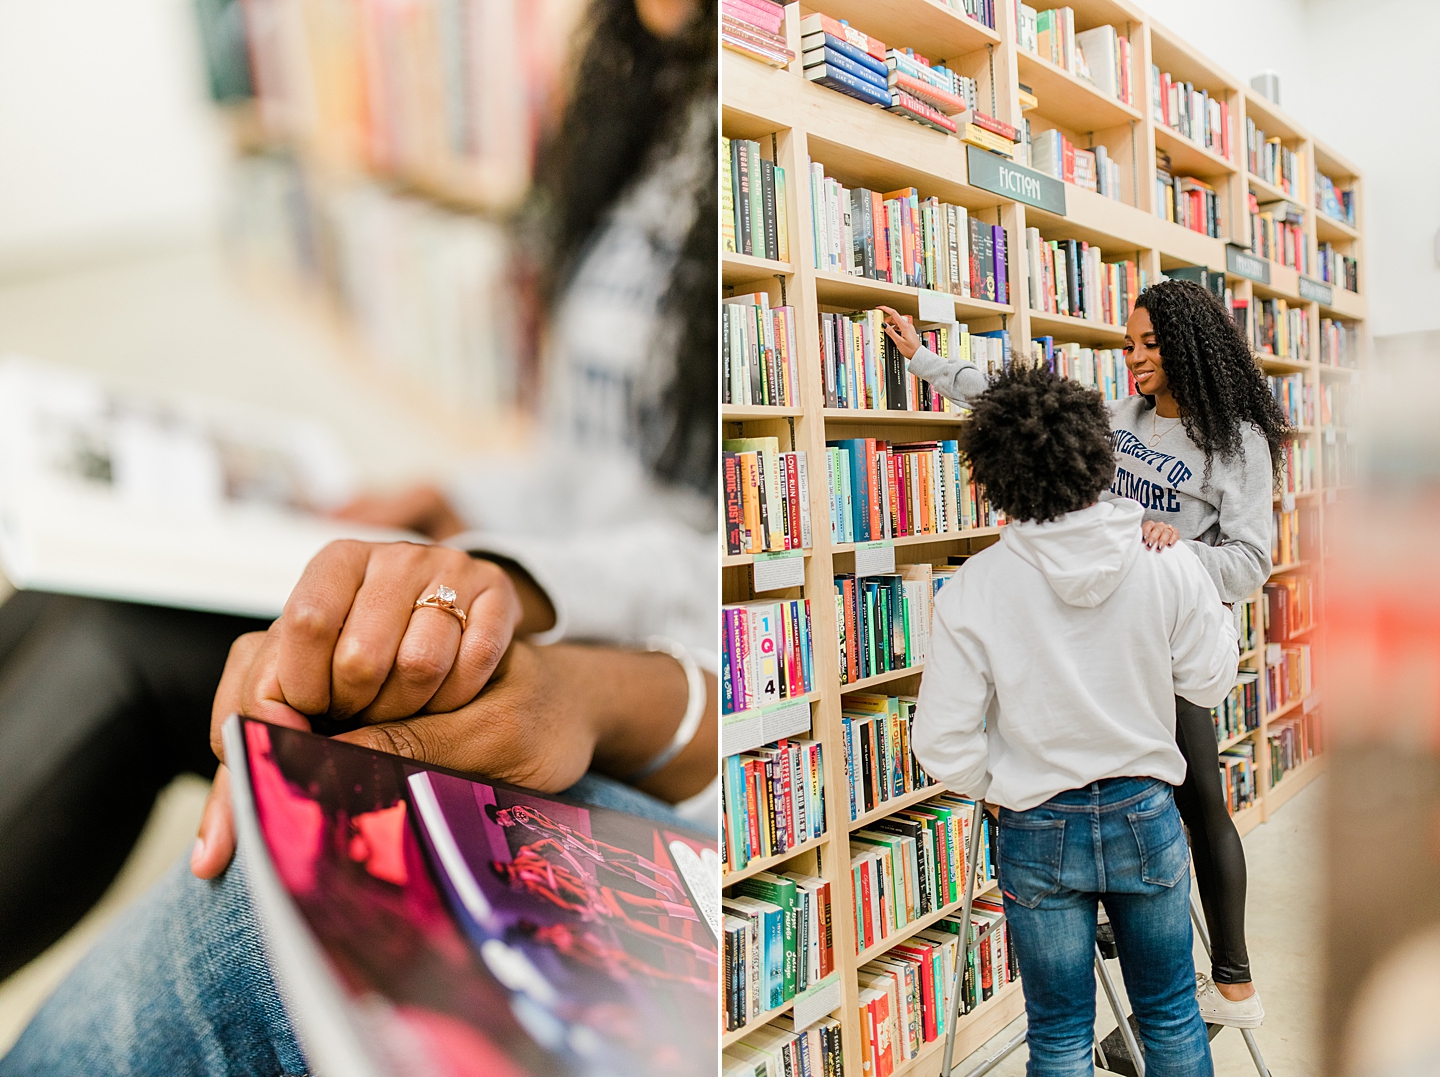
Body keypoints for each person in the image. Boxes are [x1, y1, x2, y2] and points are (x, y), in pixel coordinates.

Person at [0, 0, 716, 1070]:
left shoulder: (779, 110)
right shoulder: (642, 96)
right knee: (90, 601)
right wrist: (450, 498)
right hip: (571, 592)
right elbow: (602, 468)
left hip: (685, 694)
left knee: (244, 841)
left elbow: (745, 555)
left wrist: (554, 630)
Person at [883, 277, 1288, 1027]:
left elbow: (1250, 563)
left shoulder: (1235, 439)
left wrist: (1176, 552)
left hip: (1167, 626)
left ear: (1187, 348)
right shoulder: (1124, 415)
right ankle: (1115, 920)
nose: (1131, 356)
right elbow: (1021, 408)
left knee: (1199, 795)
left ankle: (1234, 982)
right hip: (1108, 614)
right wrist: (925, 360)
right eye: (1128, 342)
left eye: (1147, 345)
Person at [910, 363, 1239, 1076]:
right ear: (1100, 452)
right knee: (1172, 1014)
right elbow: (1210, 678)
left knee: (1057, 1033)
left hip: (1035, 821)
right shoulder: (1166, 559)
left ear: (992, 472)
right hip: (1144, 811)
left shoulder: (974, 587)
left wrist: (997, 783)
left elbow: (940, 742)